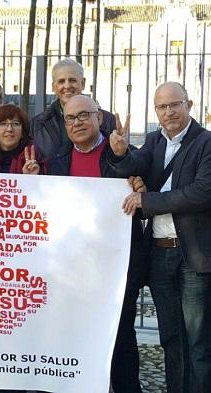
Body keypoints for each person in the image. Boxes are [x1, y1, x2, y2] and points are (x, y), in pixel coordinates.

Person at [121, 81, 211, 393]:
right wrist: (119, 153)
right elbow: (131, 169)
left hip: (193, 255)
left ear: (188, 105)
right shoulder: (152, 142)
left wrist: (148, 200)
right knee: (171, 338)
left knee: (198, 342)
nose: (168, 112)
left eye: (174, 104)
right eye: (161, 107)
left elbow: (201, 194)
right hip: (159, 254)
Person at [44, 95, 146, 393]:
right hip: (72, 270)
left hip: (117, 269)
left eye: (84, 115)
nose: (77, 123)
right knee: (76, 335)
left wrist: (138, 181)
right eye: (70, 118)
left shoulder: (125, 152)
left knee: (121, 338)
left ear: (99, 118)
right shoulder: (57, 162)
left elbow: (144, 188)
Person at [31, 58, 117, 159]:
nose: (67, 86)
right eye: (61, 81)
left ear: (83, 83)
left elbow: (118, 158)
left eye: (72, 80)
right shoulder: (38, 124)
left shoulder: (108, 119)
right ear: (53, 87)